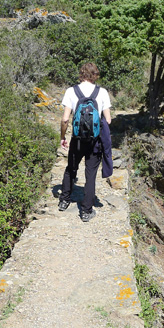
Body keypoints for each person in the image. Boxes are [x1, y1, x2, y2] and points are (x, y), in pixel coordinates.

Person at [58, 62, 112, 222]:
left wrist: (62, 137)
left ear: (81, 74)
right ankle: (86, 211)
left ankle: (64, 200)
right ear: (95, 75)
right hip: (94, 142)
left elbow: (65, 118)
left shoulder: (71, 91)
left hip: (77, 139)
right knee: (90, 174)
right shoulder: (101, 92)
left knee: (71, 169)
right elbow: (108, 120)